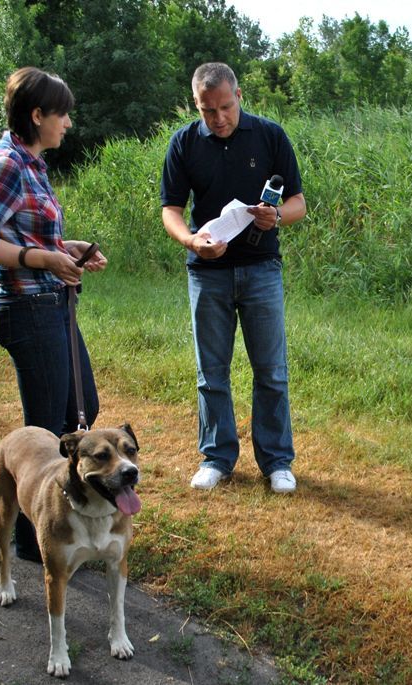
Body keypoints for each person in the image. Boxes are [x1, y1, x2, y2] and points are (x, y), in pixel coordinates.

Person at [0, 66, 107, 561]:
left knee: (79, 411)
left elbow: (22, 231)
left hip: (52, 306)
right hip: (28, 310)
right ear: (37, 114)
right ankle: (36, 542)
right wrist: (43, 259)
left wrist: (66, 248)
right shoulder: (8, 165)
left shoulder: (32, 163)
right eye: (62, 114)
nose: (68, 123)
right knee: (45, 432)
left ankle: (58, 525)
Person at [160, 62, 306, 494]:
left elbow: (298, 204)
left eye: (225, 107)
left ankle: (276, 462)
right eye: (208, 110)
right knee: (211, 372)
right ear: (196, 105)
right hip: (207, 272)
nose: (218, 117)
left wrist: (275, 216)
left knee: (271, 371)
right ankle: (216, 458)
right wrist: (191, 241)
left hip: (262, 269)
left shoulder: (270, 135)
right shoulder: (184, 142)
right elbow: (171, 209)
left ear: (239, 96)